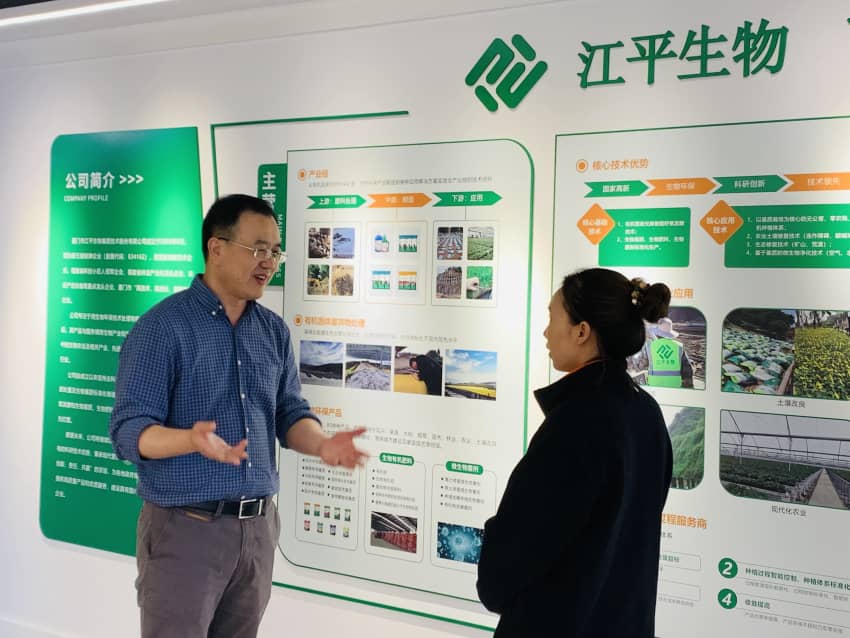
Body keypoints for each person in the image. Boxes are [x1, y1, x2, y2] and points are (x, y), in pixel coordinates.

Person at [110, 194, 367, 638]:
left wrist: (322, 444)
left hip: (257, 530)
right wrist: (189, 440)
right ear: (217, 248)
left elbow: (289, 412)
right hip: (186, 529)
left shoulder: (272, 330)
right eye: (258, 249)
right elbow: (128, 432)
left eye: (276, 252)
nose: (269, 262)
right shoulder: (162, 328)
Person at [476, 268, 673, 638]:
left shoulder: (576, 422)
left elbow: (505, 569)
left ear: (582, 331)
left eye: (552, 318)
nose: (545, 332)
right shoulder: (646, 412)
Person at [631, 317, 694, 388]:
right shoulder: (679, 346)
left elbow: (641, 366)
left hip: (655, 386)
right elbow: (688, 371)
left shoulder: (649, 346)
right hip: (675, 387)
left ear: (657, 333)